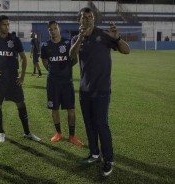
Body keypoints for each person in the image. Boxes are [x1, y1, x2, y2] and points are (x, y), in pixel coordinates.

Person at [69, 7, 130, 177]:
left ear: (94, 19)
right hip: (84, 90)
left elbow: (126, 50)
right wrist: (80, 38)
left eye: (90, 17)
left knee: (102, 125)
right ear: (79, 20)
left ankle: (108, 160)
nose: (87, 19)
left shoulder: (104, 35)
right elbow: (71, 56)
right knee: (89, 124)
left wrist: (117, 37)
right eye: (84, 17)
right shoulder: (76, 38)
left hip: (101, 90)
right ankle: (94, 154)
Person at [0, 15, 41, 143]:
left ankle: (27, 132)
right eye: (4, 24)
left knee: (21, 103)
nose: (7, 27)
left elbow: (23, 58)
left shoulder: (14, 39)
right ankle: (1, 132)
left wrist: (22, 76)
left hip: (13, 79)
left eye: (8, 24)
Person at [41, 21, 83, 147]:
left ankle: (72, 136)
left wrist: (66, 69)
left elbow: (75, 58)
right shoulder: (45, 45)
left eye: (55, 28)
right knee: (54, 108)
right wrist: (52, 70)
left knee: (70, 108)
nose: (53, 31)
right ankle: (58, 133)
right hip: (52, 82)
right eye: (50, 29)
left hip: (66, 82)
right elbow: (44, 61)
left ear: (59, 29)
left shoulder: (67, 42)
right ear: (48, 31)